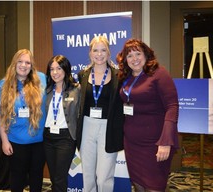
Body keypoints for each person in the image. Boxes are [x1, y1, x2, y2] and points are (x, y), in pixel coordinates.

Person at [117, 38, 179, 192]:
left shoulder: (159, 73)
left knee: (154, 186)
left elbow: (172, 106)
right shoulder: (126, 77)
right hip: (132, 143)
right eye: (129, 56)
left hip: (155, 143)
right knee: (138, 184)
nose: (134, 59)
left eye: (138, 54)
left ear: (146, 54)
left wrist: (166, 141)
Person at [76, 36, 124, 192]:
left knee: (104, 177)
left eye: (103, 50)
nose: (99, 54)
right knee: (88, 176)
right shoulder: (82, 75)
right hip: (87, 127)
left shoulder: (118, 76)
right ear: (90, 53)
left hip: (108, 128)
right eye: (95, 50)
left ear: (109, 53)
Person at [0, 49, 47, 192]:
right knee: (17, 180)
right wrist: (4, 140)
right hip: (16, 142)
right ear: (14, 63)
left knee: (36, 179)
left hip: (39, 141)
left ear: (32, 66)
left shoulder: (42, 79)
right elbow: (0, 114)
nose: (24, 65)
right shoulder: (4, 85)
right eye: (20, 61)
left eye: (28, 62)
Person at [44, 55, 81, 192]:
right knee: (54, 177)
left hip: (66, 138)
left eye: (58, 68)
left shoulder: (76, 89)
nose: (55, 72)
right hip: (47, 137)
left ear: (65, 69)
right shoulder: (46, 90)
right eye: (52, 69)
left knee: (60, 177)